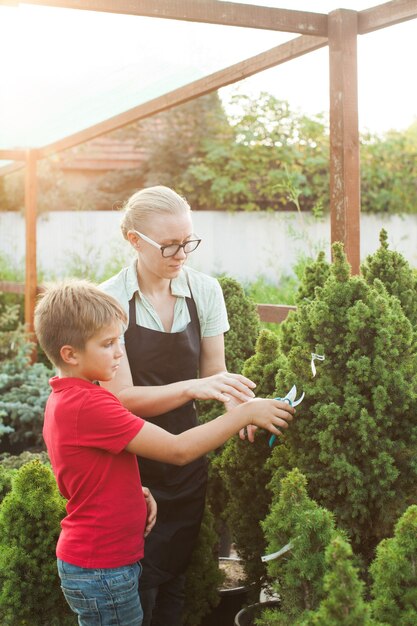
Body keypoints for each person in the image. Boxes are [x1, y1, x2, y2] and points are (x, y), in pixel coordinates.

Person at [34, 279, 295, 626]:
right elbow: (177, 450)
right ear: (70, 354)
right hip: (103, 568)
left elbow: (85, 469)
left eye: (119, 341)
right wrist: (244, 414)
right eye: (108, 344)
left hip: (103, 562)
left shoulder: (68, 398)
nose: (119, 353)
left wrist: (133, 491)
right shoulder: (92, 405)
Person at [99, 185, 261, 626]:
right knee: (141, 589)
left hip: (188, 461)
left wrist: (240, 411)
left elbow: (217, 374)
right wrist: (194, 387)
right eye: (169, 245)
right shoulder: (109, 300)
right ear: (134, 240)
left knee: (177, 586)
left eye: (188, 242)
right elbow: (122, 400)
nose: (181, 253)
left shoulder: (204, 292)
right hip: (134, 464)